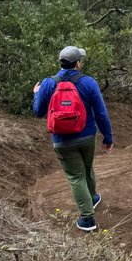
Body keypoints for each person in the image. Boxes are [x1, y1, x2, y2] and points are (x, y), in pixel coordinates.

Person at [33, 45, 114, 232]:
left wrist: (36, 94)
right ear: (78, 63)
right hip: (87, 136)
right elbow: (101, 113)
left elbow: (38, 112)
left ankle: (88, 213)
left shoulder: (48, 83)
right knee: (86, 168)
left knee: (76, 176)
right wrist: (108, 137)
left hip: (62, 140)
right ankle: (90, 207)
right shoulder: (89, 82)